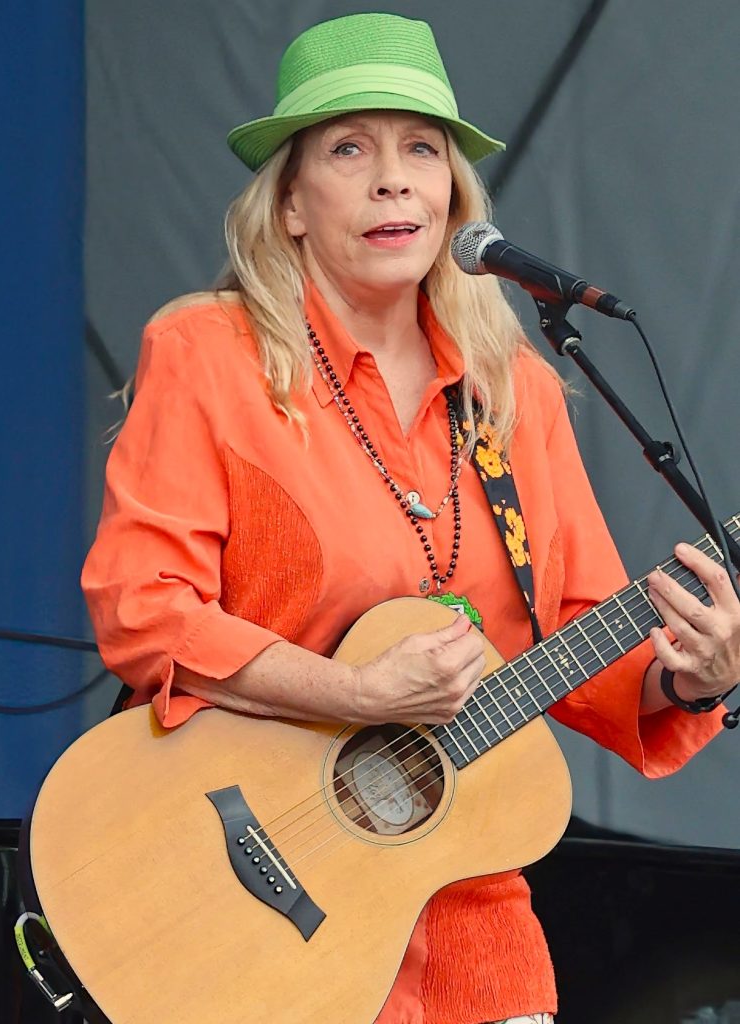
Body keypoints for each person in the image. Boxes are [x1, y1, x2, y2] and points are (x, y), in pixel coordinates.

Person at [81, 12, 739, 1024]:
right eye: (350, 149)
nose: (393, 180)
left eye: (421, 150)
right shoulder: (209, 355)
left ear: (452, 197)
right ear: (290, 205)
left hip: (471, 921)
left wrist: (691, 676)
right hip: (246, 901)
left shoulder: (513, 390)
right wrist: (352, 691)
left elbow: (576, 630)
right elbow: (144, 611)